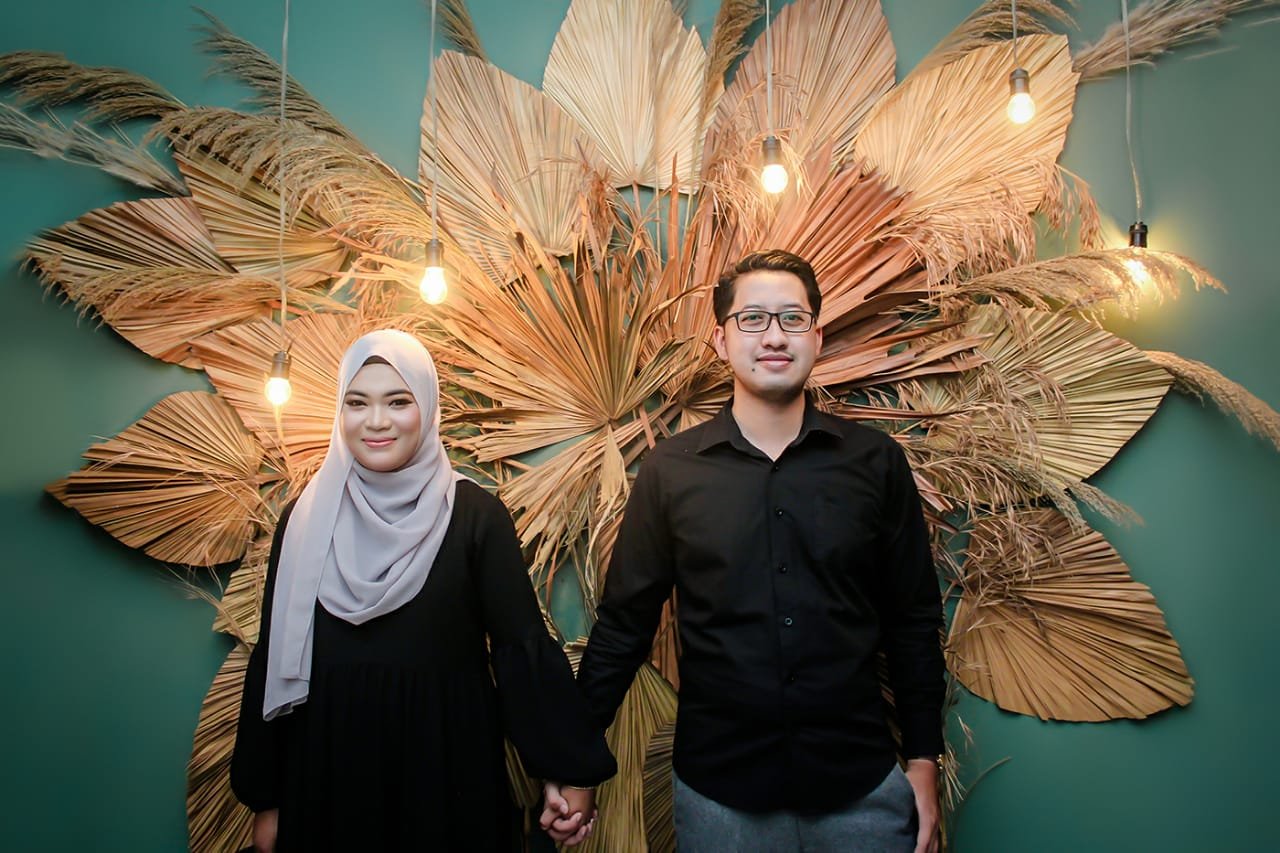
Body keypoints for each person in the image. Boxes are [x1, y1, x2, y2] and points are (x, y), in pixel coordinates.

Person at [565, 251, 947, 852]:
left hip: (861, 788)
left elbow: (913, 621)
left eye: (793, 319)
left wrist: (924, 760)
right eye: (752, 319)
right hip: (719, 794)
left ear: (816, 337)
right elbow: (623, 628)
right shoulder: (671, 470)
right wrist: (578, 763)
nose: (774, 336)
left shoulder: (875, 462)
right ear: (721, 340)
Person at [231, 329, 615, 852]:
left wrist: (568, 773)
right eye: (357, 403)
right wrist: (268, 800)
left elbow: (519, 651)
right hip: (326, 778)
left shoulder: (474, 516)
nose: (376, 421)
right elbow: (276, 658)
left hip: (445, 775)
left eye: (398, 401)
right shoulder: (303, 520)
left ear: (428, 408)